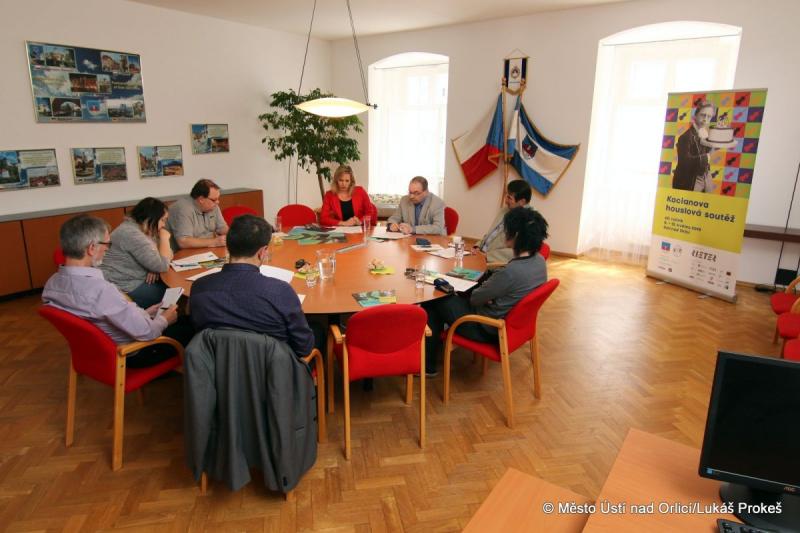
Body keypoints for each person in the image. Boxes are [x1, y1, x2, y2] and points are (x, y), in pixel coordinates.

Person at [42, 215, 193, 368]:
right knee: (194, 324)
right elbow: (148, 332)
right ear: (92, 248)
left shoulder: (51, 284)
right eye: (107, 244)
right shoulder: (101, 291)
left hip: (96, 352)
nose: (108, 249)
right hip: (132, 354)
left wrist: (146, 313)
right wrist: (165, 319)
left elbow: (105, 316)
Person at [423, 207, 549, 375]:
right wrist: (493, 295)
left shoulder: (511, 272)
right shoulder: (539, 261)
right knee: (453, 293)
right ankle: (433, 349)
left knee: (435, 297)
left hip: (484, 327)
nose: (504, 233)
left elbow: (475, 298)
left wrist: (488, 293)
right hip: (509, 324)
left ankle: (428, 366)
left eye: (507, 230)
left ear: (516, 235)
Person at [190, 214, 324, 357]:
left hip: (217, 365)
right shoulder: (280, 291)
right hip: (273, 368)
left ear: (228, 246)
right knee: (319, 330)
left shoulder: (199, 287)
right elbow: (304, 348)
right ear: (262, 252)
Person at [100, 197, 172, 308]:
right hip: (123, 287)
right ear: (150, 218)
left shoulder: (143, 229)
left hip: (133, 280)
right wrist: (165, 238)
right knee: (172, 293)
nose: (164, 225)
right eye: (163, 220)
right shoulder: (132, 234)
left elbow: (167, 254)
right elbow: (163, 265)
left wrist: (154, 266)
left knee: (171, 286)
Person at [474, 180, 533, 264]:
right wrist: (477, 246)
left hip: (495, 264)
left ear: (522, 202)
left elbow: (517, 252)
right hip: (480, 255)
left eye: (509, 198)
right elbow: (491, 235)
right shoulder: (505, 210)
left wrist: (487, 256)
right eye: (506, 195)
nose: (505, 201)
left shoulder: (529, 222)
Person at [166, 178, 228, 250]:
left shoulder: (213, 206)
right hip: (180, 252)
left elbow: (221, 228)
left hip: (204, 249)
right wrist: (214, 242)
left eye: (218, 199)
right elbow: (183, 242)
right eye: (214, 200)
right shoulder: (183, 209)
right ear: (201, 199)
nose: (217, 202)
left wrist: (234, 234)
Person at [672, 100, 718, 193]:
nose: (705, 119)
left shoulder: (705, 134)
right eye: (703, 115)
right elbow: (684, 161)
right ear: (695, 115)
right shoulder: (686, 137)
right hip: (691, 178)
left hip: (706, 175)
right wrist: (706, 157)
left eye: (709, 116)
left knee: (710, 200)